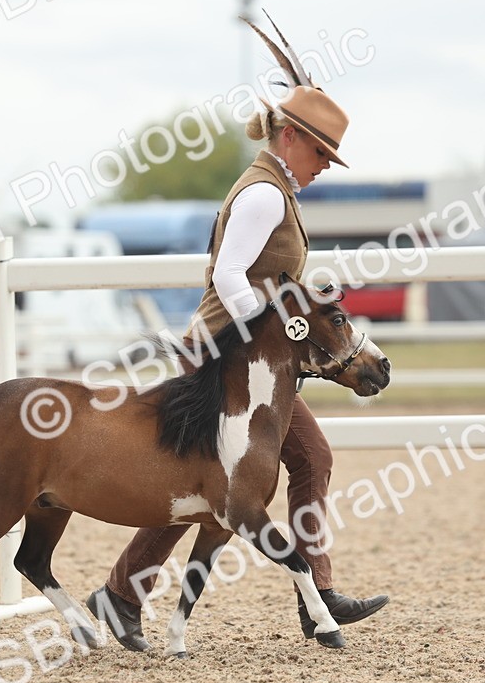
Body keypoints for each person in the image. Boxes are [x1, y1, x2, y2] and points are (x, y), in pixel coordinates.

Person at [86, 80, 388, 651]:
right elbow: (230, 274)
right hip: (230, 353)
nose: (326, 165)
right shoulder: (265, 194)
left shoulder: (276, 189)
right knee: (272, 466)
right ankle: (315, 596)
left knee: (209, 479)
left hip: (239, 353)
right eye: (322, 152)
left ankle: (124, 593)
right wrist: (274, 334)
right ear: (292, 136)